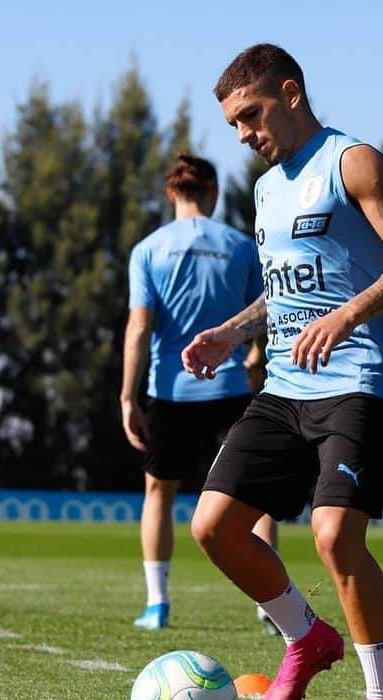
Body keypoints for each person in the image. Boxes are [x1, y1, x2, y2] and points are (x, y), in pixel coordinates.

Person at [182, 44, 383, 700]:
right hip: (286, 387)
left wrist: (348, 314)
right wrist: (231, 333)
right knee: (213, 526)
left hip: (359, 381)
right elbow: (283, 286)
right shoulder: (267, 189)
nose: (243, 135)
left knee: (333, 535)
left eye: (250, 115)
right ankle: (306, 637)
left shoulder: (351, 161)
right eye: (233, 124)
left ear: (290, 93)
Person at [121, 152, 278, 631]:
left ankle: (157, 604)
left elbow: (138, 330)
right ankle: (270, 603)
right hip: (230, 388)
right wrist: (256, 358)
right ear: (213, 193)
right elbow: (269, 309)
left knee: (159, 494)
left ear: (171, 192)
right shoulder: (240, 245)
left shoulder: (149, 249)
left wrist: (128, 397)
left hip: (170, 392)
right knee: (255, 495)